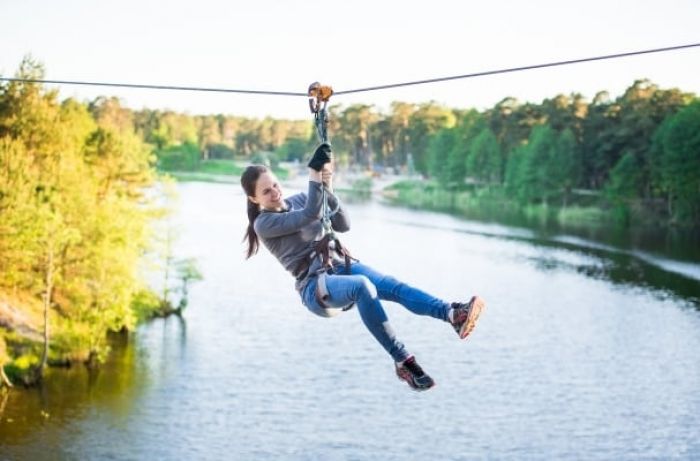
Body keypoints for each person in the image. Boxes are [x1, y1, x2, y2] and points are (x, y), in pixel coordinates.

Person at [240, 143, 485, 391]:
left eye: (275, 185)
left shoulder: (302, 199)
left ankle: (452, 315)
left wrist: (328, 190)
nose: (275, 192)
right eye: (266, 192)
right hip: (315, 287)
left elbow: (343, 224)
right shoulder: (264, 223)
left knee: (392, 286)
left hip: (339, 265)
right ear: (254, 198)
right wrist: (315, 173)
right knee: (363, 286)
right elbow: (307, 215)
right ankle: (402, 360)